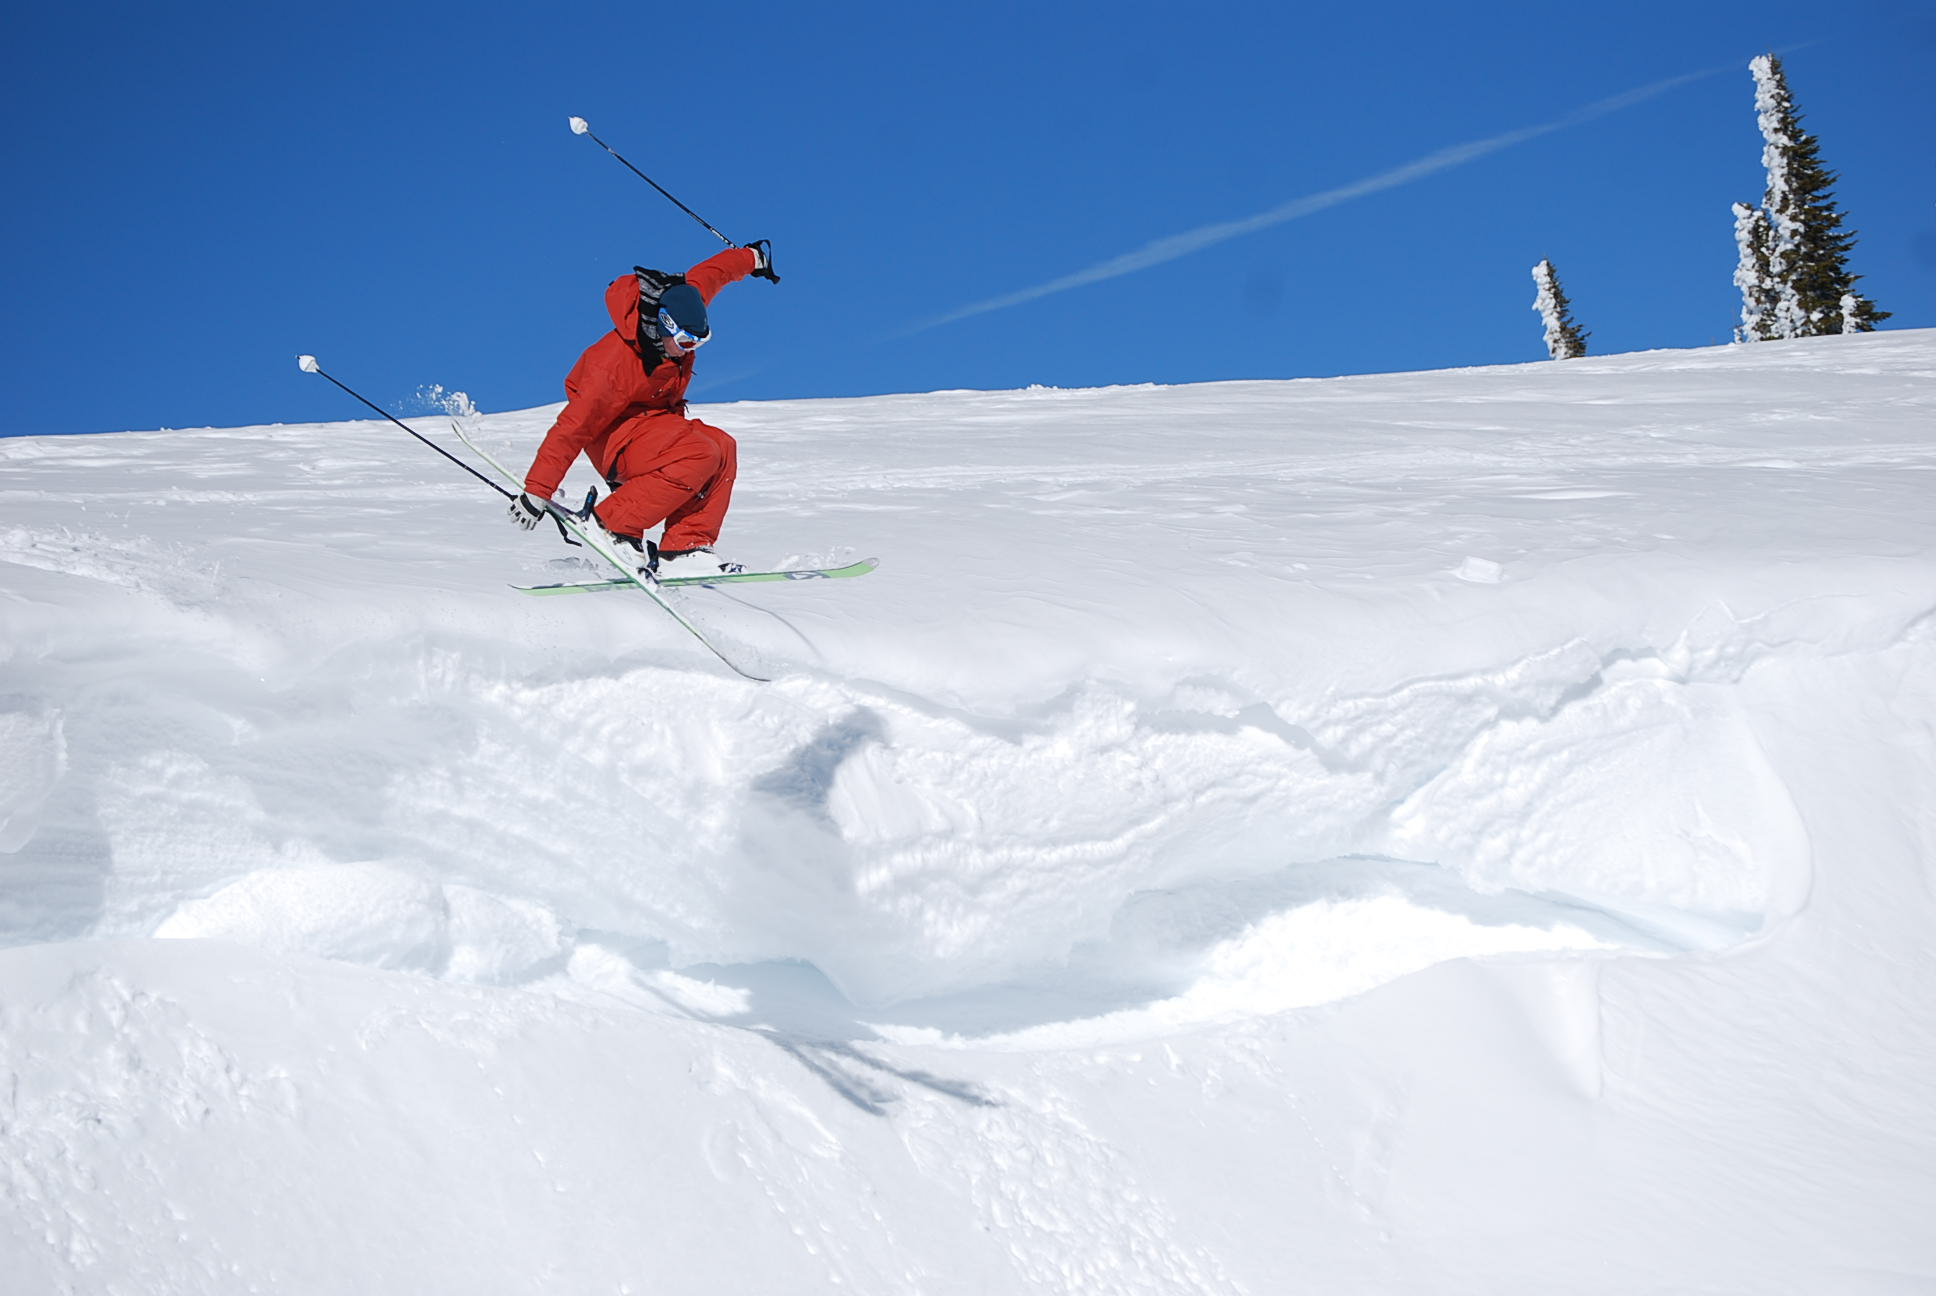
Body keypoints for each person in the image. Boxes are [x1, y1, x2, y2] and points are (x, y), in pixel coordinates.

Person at [508, 241, 776, 576]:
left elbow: (711, 275)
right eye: (685, 343)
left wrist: (752, 259)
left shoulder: (683, 302)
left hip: (652, 425)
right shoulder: (614, 365)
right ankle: (612, 523)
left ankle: (685, 547)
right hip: (612, 436)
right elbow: (571, 429)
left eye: (698, 343)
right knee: (699, 452)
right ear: (663, 325)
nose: (689, 350)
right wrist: (536, 491)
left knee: (723, 447)